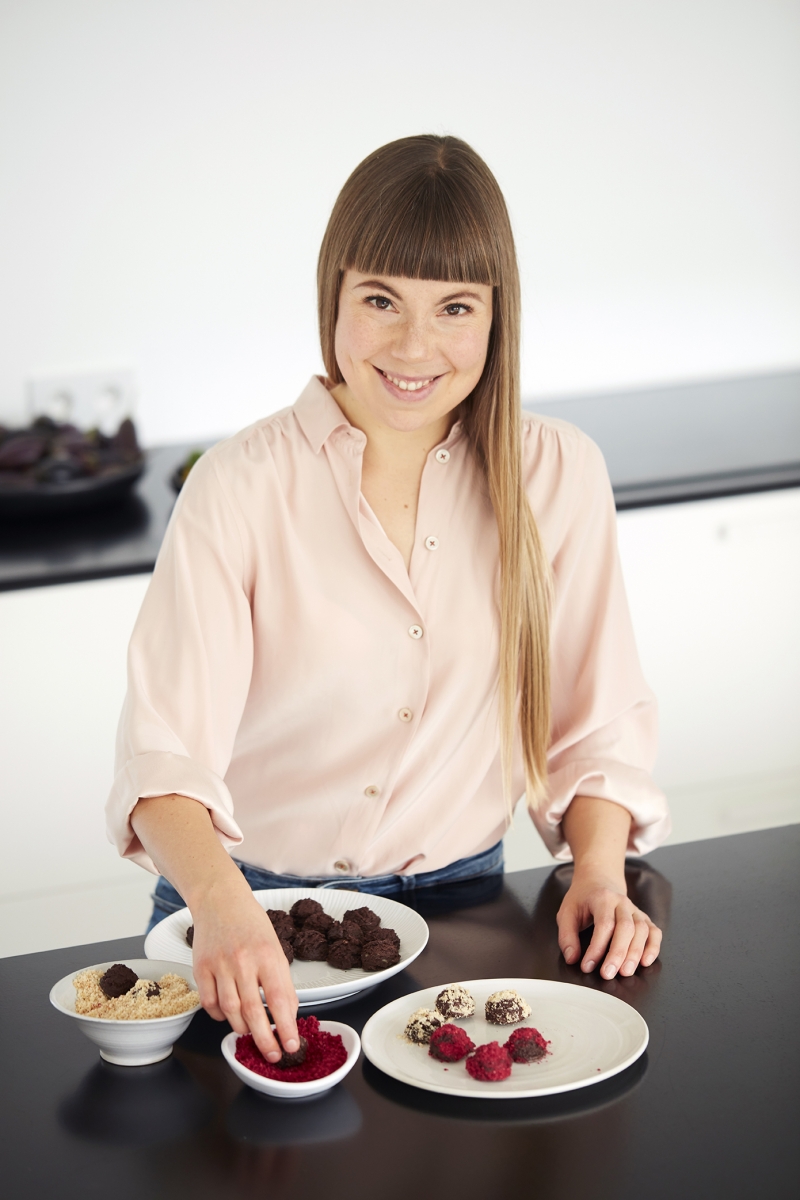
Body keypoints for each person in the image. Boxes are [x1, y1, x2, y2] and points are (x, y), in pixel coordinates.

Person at [107, 135, 669, 1066]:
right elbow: (161, 757)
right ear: (333, 297)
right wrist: (221, 907)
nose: (415, 348)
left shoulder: (557, 473)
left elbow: (594, 725)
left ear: (498, 316)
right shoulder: (240, 483)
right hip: (246, 911)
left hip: (463, 910)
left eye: (455, 308)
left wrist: (600, 872)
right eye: (380, 301)